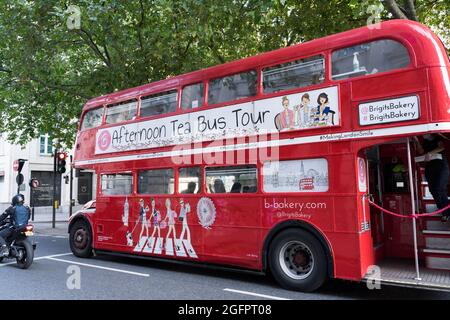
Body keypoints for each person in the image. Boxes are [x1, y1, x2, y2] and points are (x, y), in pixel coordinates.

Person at [414, 134, 450, 222]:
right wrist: (416, 140)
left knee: (439, 188)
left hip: (441, 167)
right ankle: (442, 208)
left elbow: (441, 147)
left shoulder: (438, 138)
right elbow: (421, 151)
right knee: (432, 189)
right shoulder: (424, 142)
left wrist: (430, 153)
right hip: (430, 168)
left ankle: (446, 213)